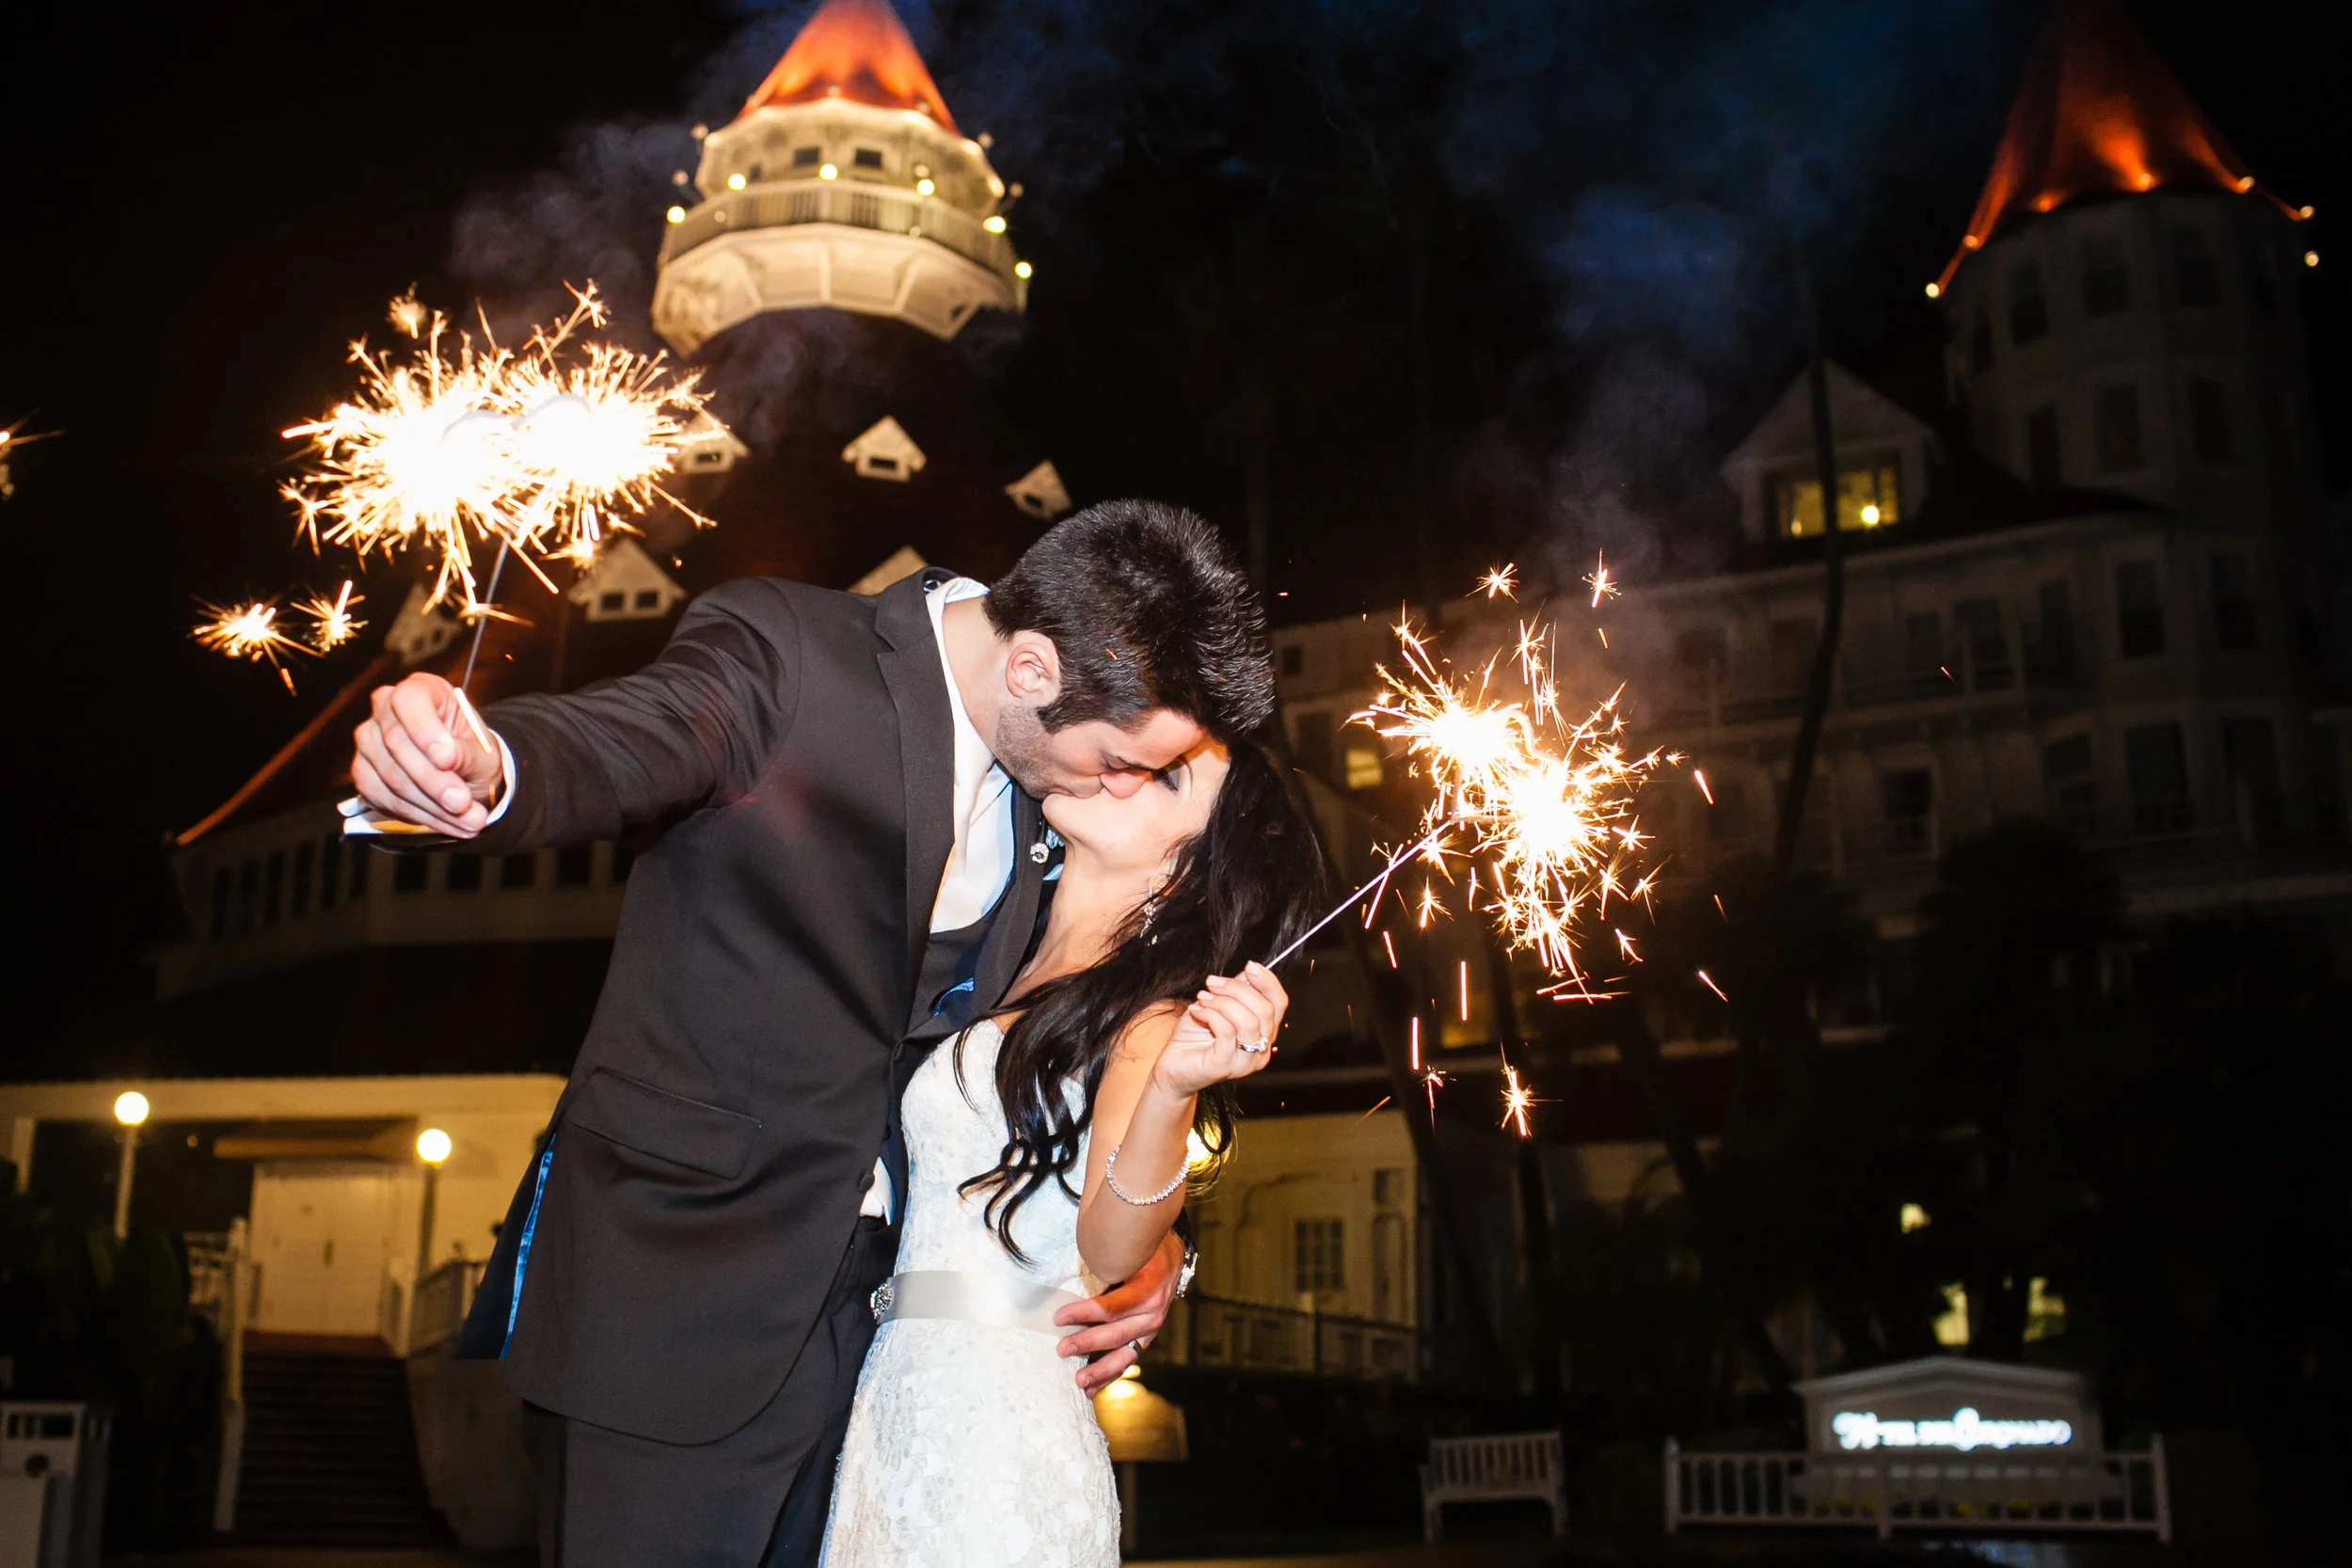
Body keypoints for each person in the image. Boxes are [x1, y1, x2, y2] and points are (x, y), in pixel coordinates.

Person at [345, 500, 1276, 1567]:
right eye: (1117, 759)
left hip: (884, 1373)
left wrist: (1156, 1246)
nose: (1117, 790)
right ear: (1029, 670)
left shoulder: (1060, 799)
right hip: (674, 1301)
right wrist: (487, 766)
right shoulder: (789, 654)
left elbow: (1074, 1060)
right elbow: (625, 735)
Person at [822, 736, 1325, 1566]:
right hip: (893, 1410)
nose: (1124, 760)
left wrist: (1170, 1090)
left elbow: (1110, 1242)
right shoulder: (1001, 943)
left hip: (995, 1446)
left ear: (1193, 868)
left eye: (1167, 776)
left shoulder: (1152, 1023)